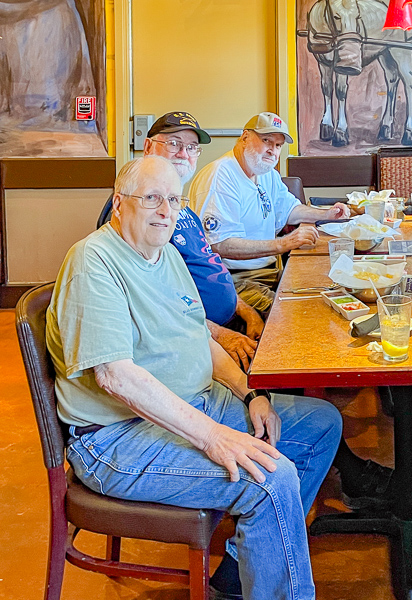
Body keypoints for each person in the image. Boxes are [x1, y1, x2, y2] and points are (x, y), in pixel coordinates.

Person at [47, 156, 343, 600]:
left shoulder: (165, 253)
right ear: (118, 205)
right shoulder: (94, 261)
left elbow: (200, 336)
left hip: (194, 403)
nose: (166, 210)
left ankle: (240, 577)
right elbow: (115, 376)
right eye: (151, 198)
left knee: (321, 423)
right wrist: (213, 437)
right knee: (272, 479)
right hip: (116, 438)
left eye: (173, 199)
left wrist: (250, 394)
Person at [97, 111, 265, 370]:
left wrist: (246, 311)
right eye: (174, 143)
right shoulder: (135, 213)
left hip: (228, 321)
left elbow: (211, 268)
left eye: (192, 147)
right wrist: (220, 336)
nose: (184, 153)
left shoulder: (181, 208)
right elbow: (154, 302)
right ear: (149, 147)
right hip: (193, 339)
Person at [189, 112, 349, 311]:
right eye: (266, 140)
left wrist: (325, 215)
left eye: (278, 145)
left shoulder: (267, 174)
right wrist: (284, 243)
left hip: (269, 272)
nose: (273, 150)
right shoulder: (220, 177)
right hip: (234, 282)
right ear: (245, 137)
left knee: (327, 292)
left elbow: (290, 209)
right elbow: (219, 244)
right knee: (297, 316)